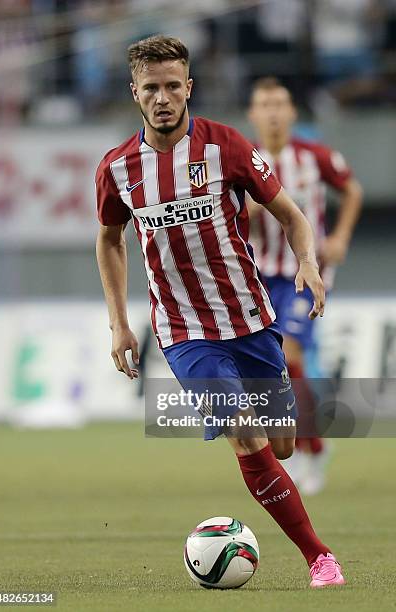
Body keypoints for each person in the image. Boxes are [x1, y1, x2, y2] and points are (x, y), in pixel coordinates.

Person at [95, 35, 345, 587]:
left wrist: (306, 261)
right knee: (242, 430)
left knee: (281, 442)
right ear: (134, 93)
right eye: (150, 88)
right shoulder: (117, 169)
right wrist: (118, 323)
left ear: (189, 87)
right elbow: (110, 239)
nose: (162, 98)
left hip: (251, 319)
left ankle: (305, 457)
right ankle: (320, 557)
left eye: (171, 86)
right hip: (184, 331)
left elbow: (291, 214)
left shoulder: (226, 147)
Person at [247, 77, 363, 494]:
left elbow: (351, 190)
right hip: (257, 275)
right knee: (271, 366)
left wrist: (340, 238)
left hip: (304, 273)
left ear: (293, 112)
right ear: (253, 114)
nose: (274, 111)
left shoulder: (314, 157)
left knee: (288, 355)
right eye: (265, 104)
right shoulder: (245, 159)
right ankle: (306, 446)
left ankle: (308, 451)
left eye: (280, 103)